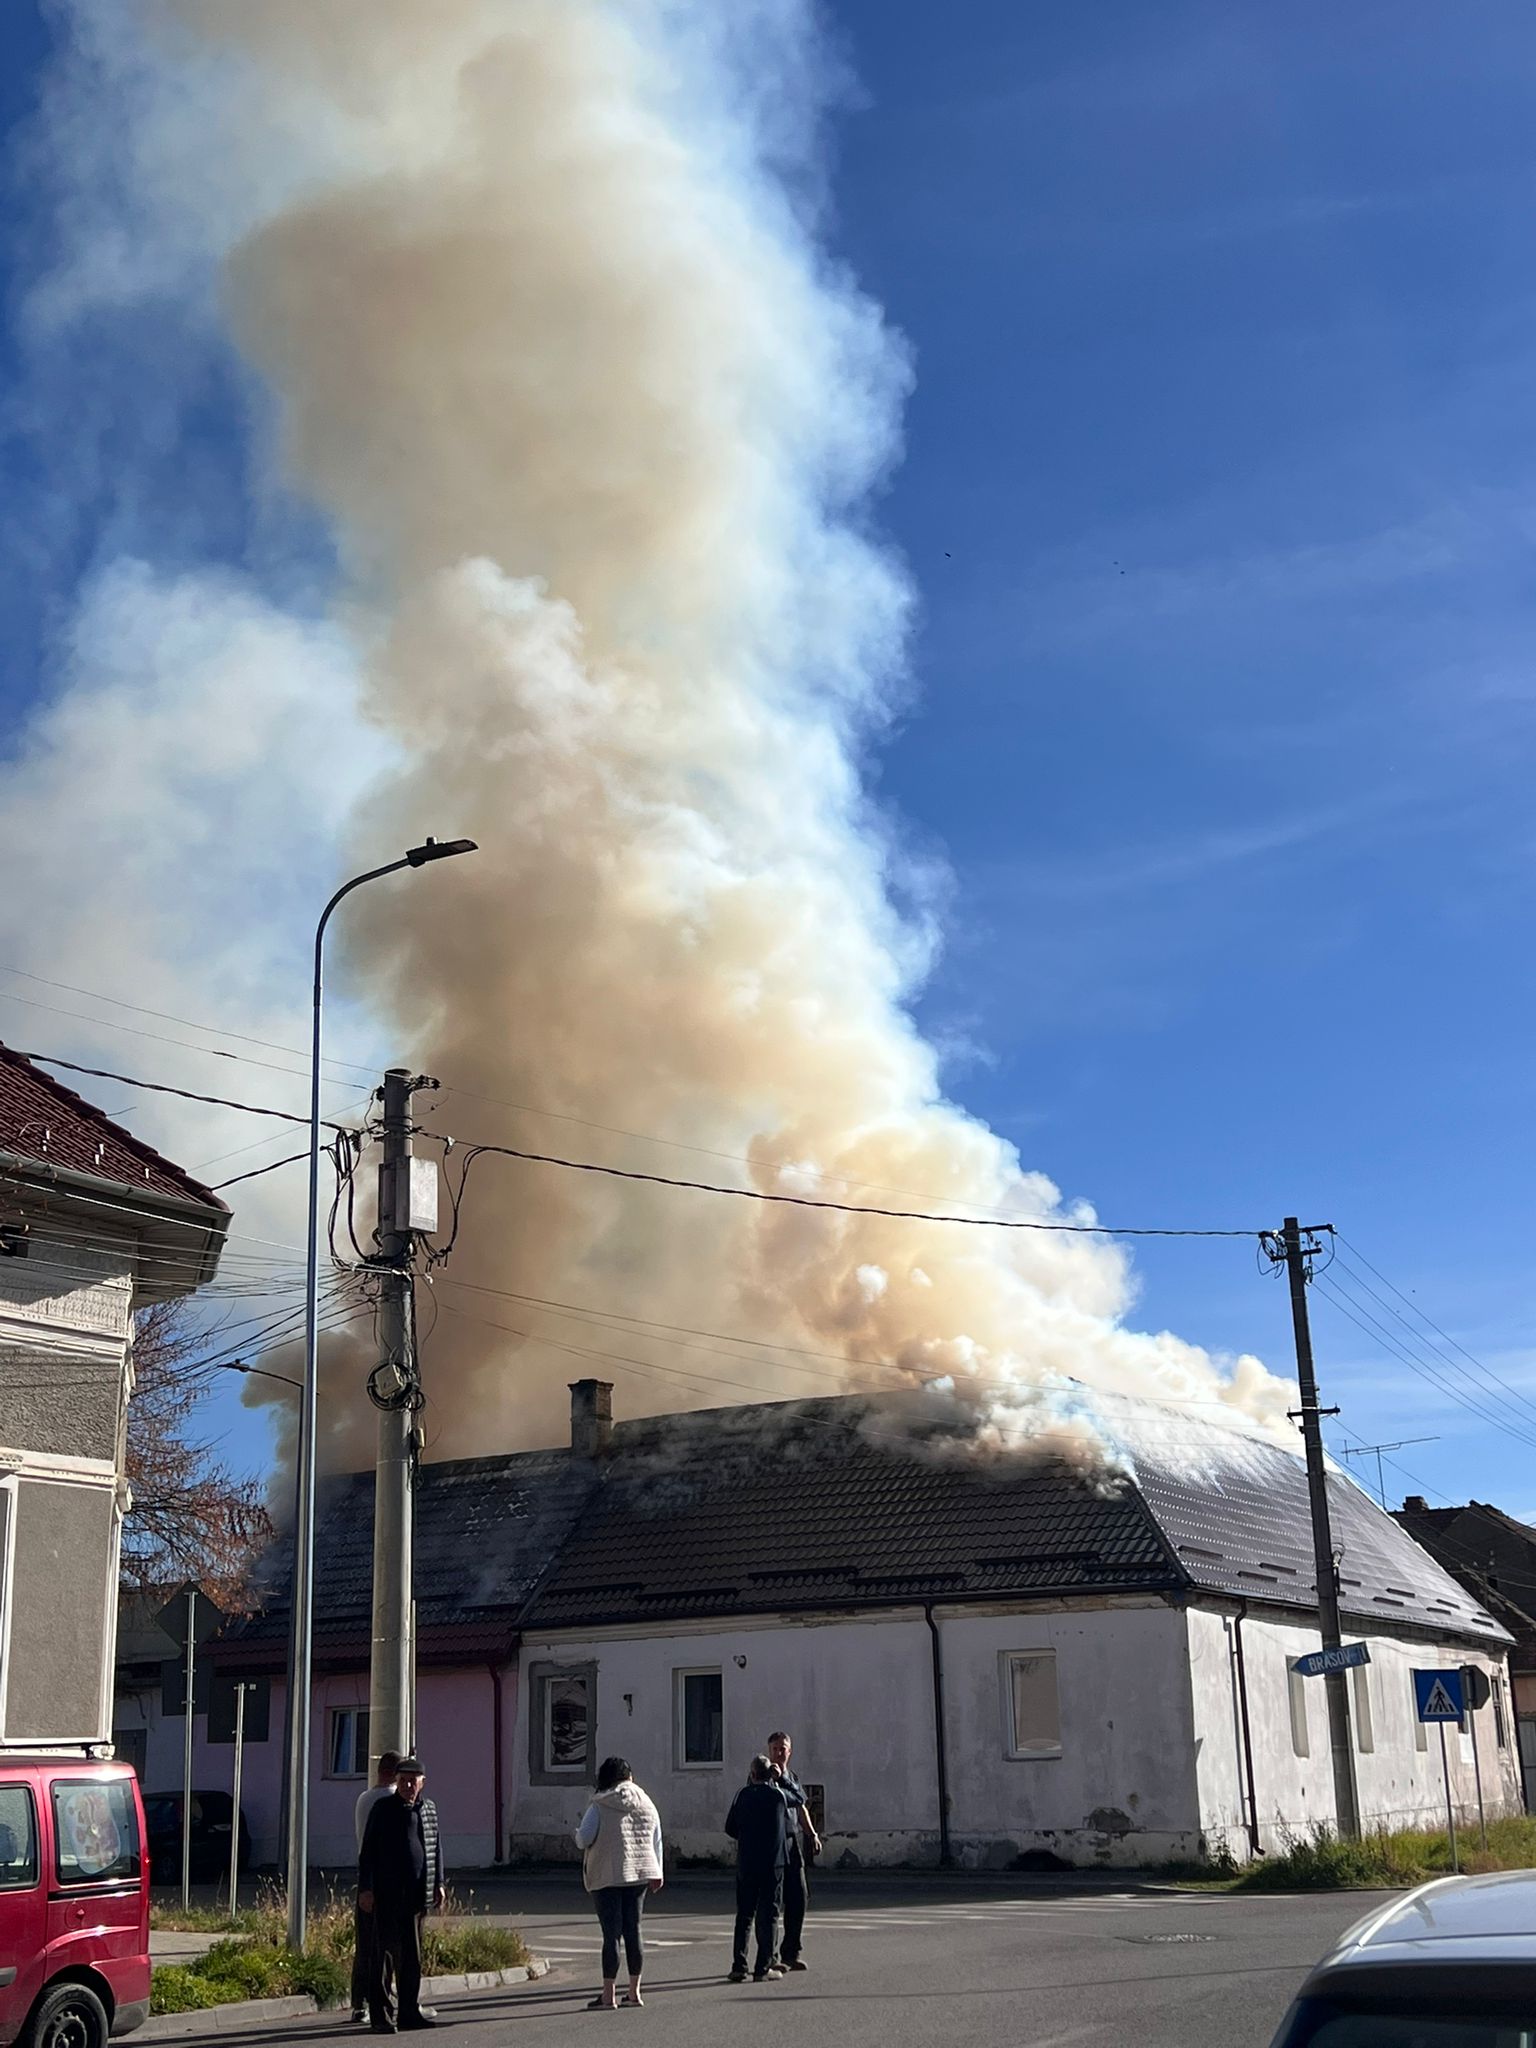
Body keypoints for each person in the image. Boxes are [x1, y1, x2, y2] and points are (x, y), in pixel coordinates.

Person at [358, 1758, 444, 2034]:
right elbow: (368, 1851)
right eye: (403, 1780)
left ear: (422, 1783)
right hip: (387, 1894)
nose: (408, 1785)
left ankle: (409, 2012)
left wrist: (439, 1883)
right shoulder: (383, 1809)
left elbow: (435, 1846)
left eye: (413, 1781)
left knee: (412, 1959)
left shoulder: (428, 1809)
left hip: (416, 1896)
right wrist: (366, 1888)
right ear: (396, 1782)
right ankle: (381, 2016)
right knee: (383, 1957)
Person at [575, 1757, 664, 2010]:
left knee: (611, 1935)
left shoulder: (599, 1805)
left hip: (607, 1875)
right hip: (640, 1874)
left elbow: (584, 1838)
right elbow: (656, 1838)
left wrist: (577, 1835)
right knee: (634, 1931)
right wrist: (658, 1872)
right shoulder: (647, 1802)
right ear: (629, 1777)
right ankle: (634, 1992)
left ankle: (608, 1995)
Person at [724, 1756, 789, 1984]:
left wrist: (746, 1835)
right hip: (772, 1863)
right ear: (770, 1773)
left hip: (747, 1861)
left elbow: (730, 1827)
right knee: (769, 1914)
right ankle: (763, 1967)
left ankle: (739, 1966)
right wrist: (780, 1779)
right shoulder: (777, 1795)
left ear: (751, 1774)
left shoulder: (742, 1795)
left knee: (744, 1915)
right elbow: (798, 1800)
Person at [351, 1750, 404, 2023]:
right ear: (396, 1774)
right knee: (387, 1947)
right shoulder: (391, 1801)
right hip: (388, 1880)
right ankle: (381, 1999)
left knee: (365, 1944)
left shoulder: (364, 1798)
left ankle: (359, 2003)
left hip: (365, 1877)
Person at [767, 1730, 821, 1972]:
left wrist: (812, 1834)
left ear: (790, 1751)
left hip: (792, 1841)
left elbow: (801, 1806)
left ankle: (791, 1952)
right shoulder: (763, 1777)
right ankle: (770, 1957)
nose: (779, 1753)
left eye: (783, 1749)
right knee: (772, 1901)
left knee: (799, 1896)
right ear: (769, 1751)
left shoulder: (792, 1777)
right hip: (773, 1843)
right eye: (775, 1749)